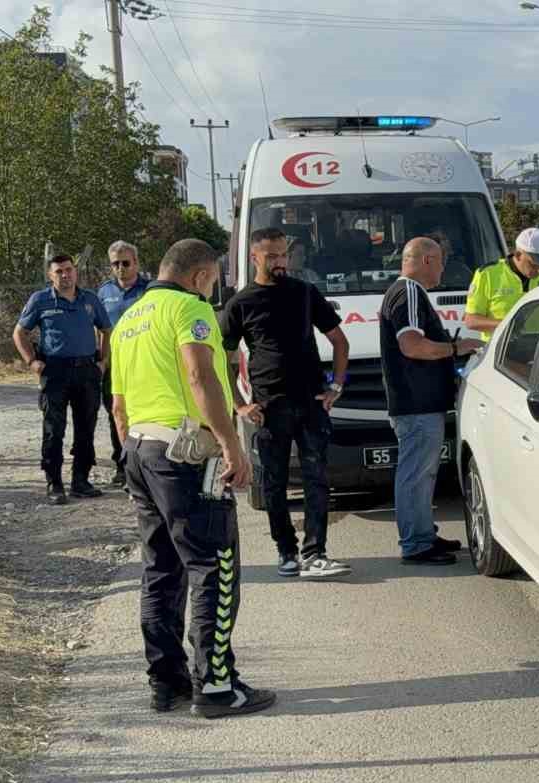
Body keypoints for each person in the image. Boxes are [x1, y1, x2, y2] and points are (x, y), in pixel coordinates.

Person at [110, 237, 274, 718]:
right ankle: (218, 686)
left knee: (161, 569)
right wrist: (230, 444)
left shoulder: (128, 320)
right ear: (202, 275)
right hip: (185, 454)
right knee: (214, 566)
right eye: (214, 279)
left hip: (140, 449)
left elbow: (118, 407)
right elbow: (201, 378)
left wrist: (132, 458)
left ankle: (167, 682)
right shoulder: (190, 310)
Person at [220, 228, 351, 579]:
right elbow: (223, 359)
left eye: (283, 255)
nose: (280, 263)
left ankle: (315, 553)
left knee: (317, 479)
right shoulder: (241, 303)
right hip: (268, 407)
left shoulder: (305, 292)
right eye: (271, 256)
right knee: (274, 484)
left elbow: (339, 340)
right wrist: (239, 404)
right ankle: (286, 553)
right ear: (254, 258)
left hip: (311, 402)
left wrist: (336, 385)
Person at [380, 237, 482, 565]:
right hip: (416, 403)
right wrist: (455, 348)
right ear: (425, 260)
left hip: (419, 403)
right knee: (414, 474)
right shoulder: (408, 291)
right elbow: (411, 345)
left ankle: (423, 534)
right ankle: (416, 544)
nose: (442, 268)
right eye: (440, 261)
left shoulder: (407, 292)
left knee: (422, 475)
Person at [13, 254, 111, 505]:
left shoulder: (89, 299)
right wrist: (32, 361)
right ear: (50, 275)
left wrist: (102, 363)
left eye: (69, 270)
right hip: (55, 372)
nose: (65, 275)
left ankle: (81, 480)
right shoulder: (41, 300)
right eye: (59, 272)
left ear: (75, 272)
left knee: (86, 428)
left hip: (86, 370)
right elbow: (20, 332)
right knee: (54, 429)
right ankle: (54, 482)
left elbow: (106, 329)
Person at [97, 240, 152, 487]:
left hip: (145, 363)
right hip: (115, 366)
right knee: (116, 414)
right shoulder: (104, 292)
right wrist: (101, 359)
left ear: (136, 263)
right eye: (115, 264)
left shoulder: (150, 290)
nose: (121, 268)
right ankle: (123, 465)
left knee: (147, 413)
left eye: (126, 263)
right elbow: (100, 329)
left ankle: (149, 463)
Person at [463, 227, 539, 341]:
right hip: (500, 352)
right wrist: (508, 325)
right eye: (533, 264)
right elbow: (471, 321)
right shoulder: (487, 274)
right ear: (518, 255)